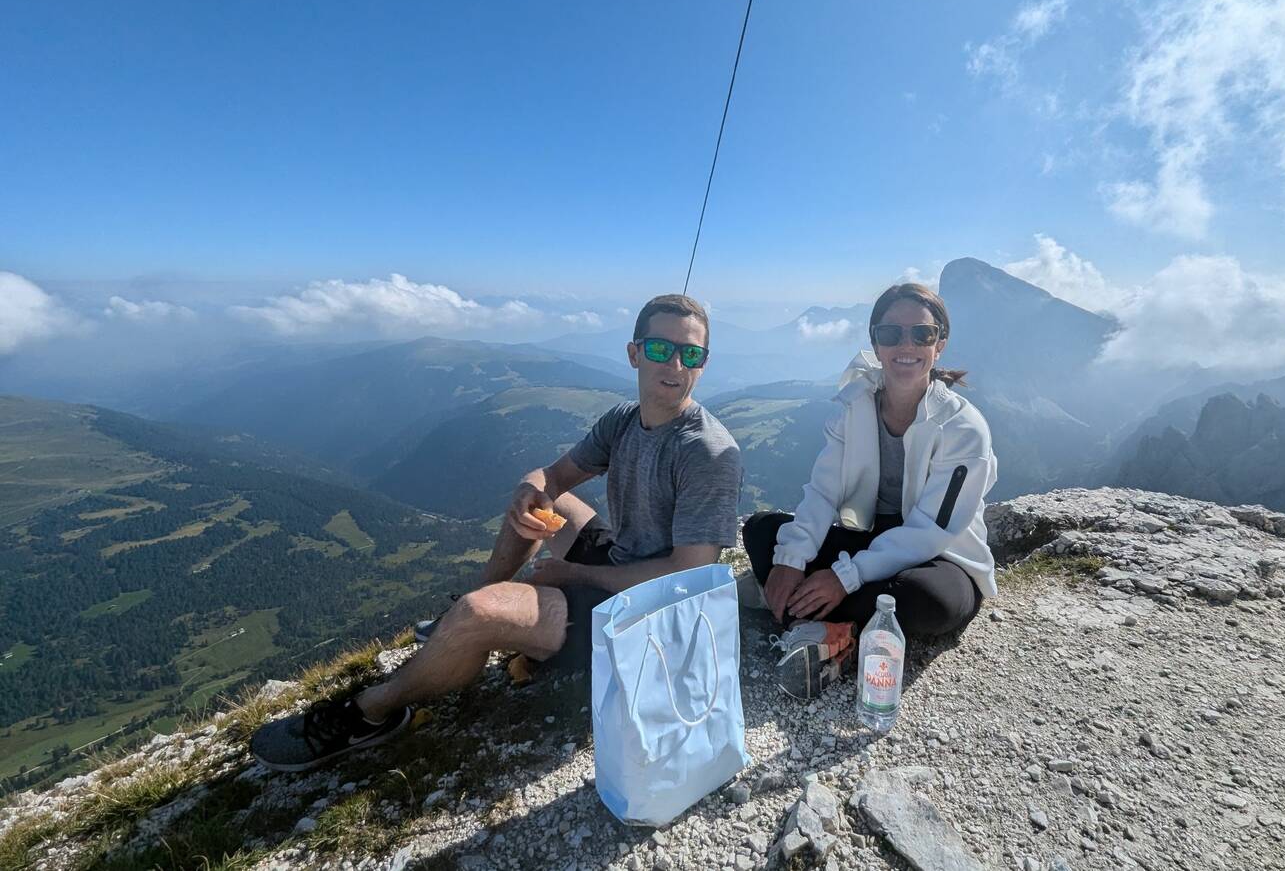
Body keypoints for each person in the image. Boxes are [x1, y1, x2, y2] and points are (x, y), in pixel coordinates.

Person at [252, 294, 743, 771]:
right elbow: (551, 476)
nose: (676, 365)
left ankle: (370, 713)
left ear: (704, 363)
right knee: (545, 504)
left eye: (691, 354)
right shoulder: (623, 420)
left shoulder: (707, 451)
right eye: (661, 349)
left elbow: (687, 575)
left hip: (644, 614)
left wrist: (570, 574)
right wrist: (528, 493)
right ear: (634, 353)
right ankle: (472, 615)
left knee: (475, 614)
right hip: (616, 559)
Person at [742, 282, 997, 662]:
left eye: (922, 334)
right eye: (891, 333)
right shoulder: (854, 406)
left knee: (927, 599)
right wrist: (790, 560)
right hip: (872, 541)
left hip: (942, 558)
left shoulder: (962, 427)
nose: (906, 345)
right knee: (762, 531)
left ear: (939, 343)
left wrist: (844, 577)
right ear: (876, 344)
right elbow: (824, 491)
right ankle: (832, 622)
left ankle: (803, 614)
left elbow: (931, 532)